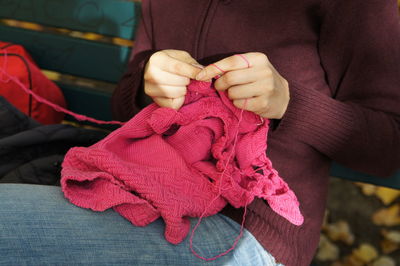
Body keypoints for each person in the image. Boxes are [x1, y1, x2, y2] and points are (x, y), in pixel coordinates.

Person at [1, 0, 399, 265]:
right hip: (138, 189)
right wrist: (146, 83)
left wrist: (288, 103)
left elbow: (388, 147)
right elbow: (126, 106)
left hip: (246, 234)